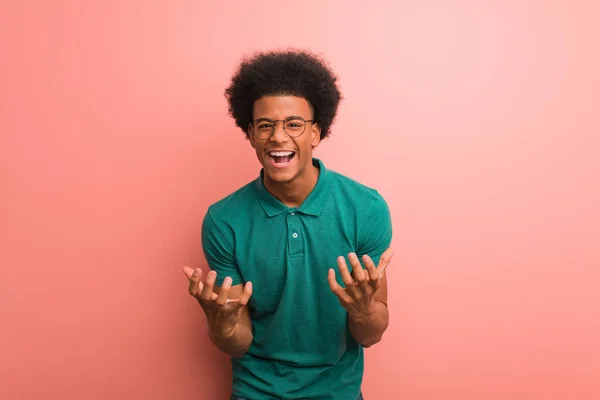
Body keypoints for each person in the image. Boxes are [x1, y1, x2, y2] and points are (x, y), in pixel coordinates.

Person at [183, 49, 393, 400]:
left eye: (293, 124)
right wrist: (221, 325)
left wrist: (363, 309)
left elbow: (371, 334)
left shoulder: (365, 208)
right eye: (265, 125)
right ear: (250, 134)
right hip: (257, 392)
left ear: (316, 132)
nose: (278, 136)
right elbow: (238, 342)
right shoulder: (223, 220)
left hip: (338, 392)